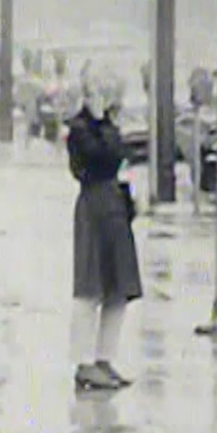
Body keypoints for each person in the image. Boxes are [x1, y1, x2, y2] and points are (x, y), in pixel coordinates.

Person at [65, 70, 142, 390]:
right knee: (90, 288)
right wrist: (97, 122)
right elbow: (97, 158)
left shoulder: (110, 127)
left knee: (118, 290)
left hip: (113, 205)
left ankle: (104, 358)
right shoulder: (79, 129)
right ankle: (84, 363)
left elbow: (116, 156)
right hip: (94, 207)